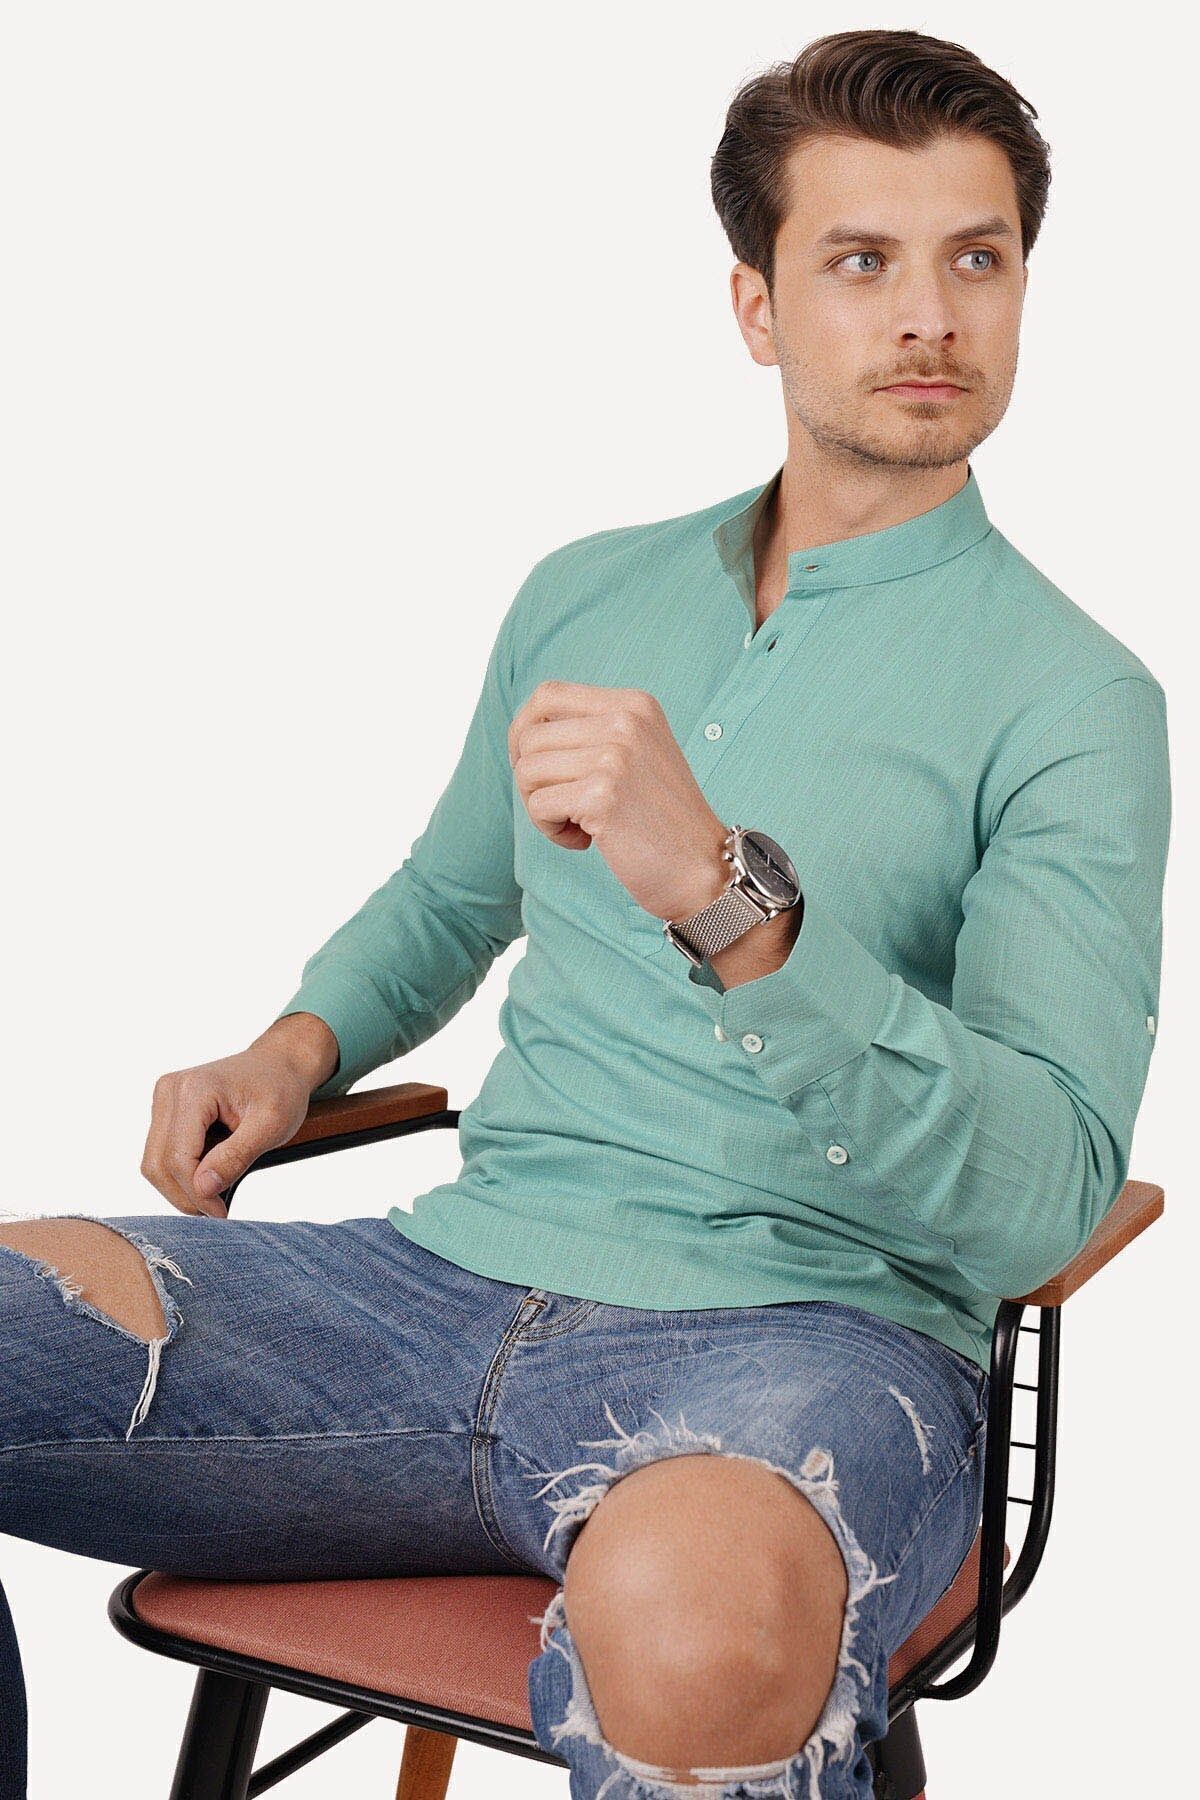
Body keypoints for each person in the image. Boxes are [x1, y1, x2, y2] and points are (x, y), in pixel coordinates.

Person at [0, 26, 1171, 1800]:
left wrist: (733, 901)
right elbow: (452, 894)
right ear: (758, 307)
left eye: (978, 259)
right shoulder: (588, 594)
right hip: (429, 1292)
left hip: (805, 1345)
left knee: (695, 1631)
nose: (932, 316)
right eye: (863, 261)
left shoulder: (1077, 700)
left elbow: (1040, 1203)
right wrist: (296, 1047)